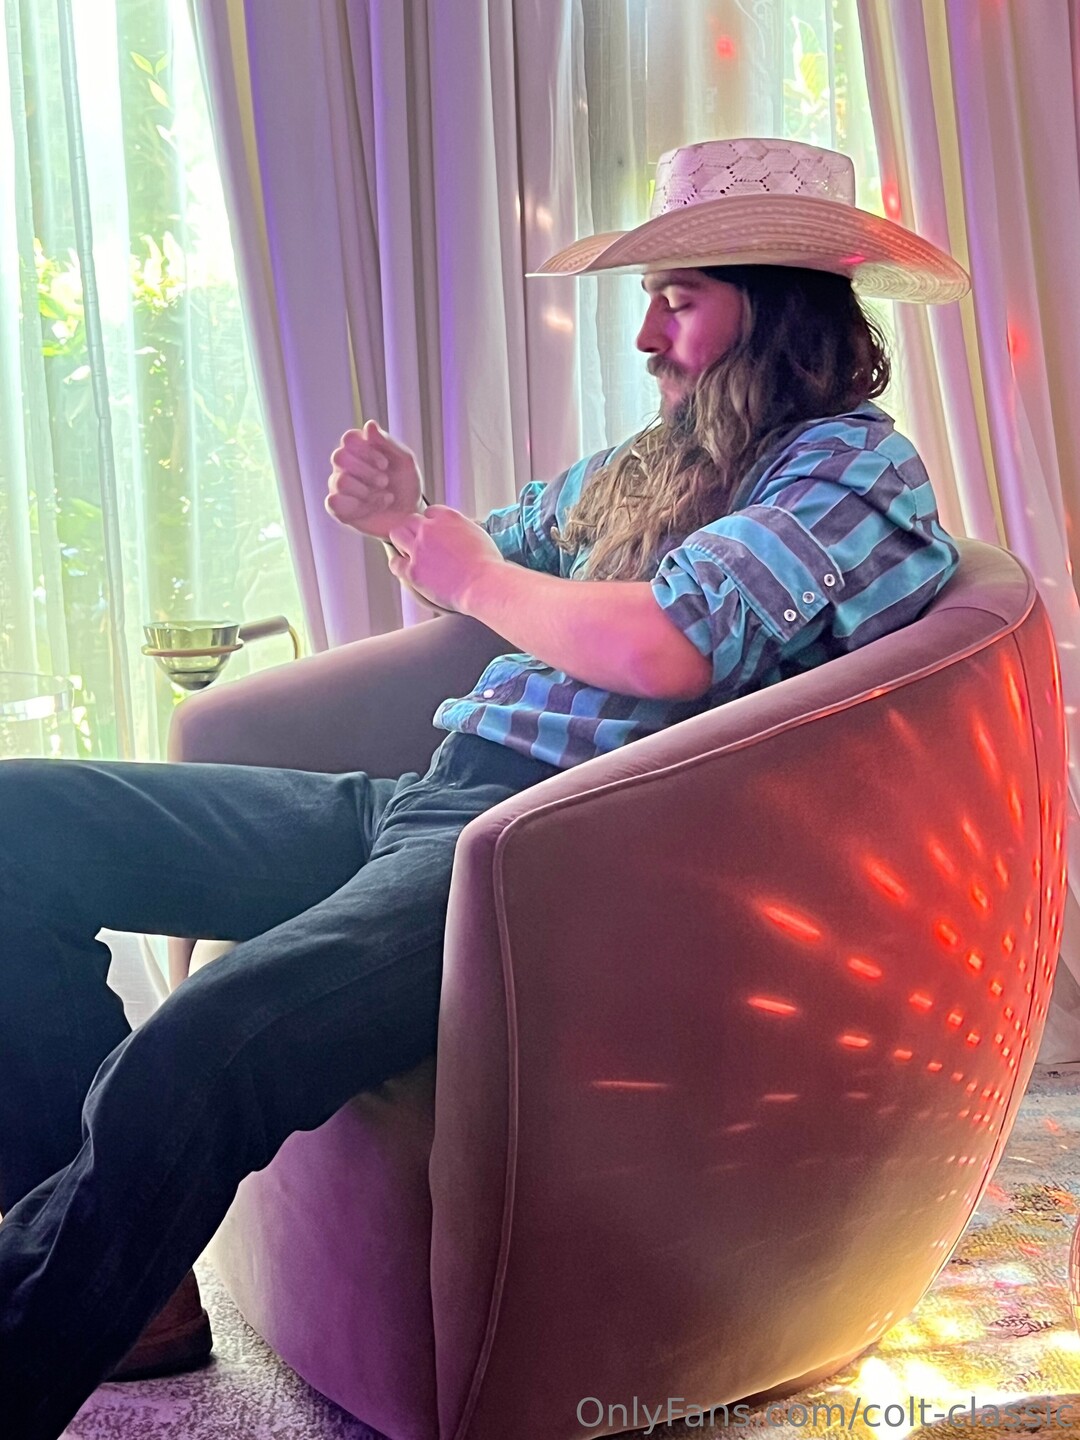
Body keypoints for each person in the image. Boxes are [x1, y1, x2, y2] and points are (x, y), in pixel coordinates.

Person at [0, 136, 969, 1438]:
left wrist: (473, 574)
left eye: (678, 298)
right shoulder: (659, 459)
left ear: (779, 307)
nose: (647, 334)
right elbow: (486, 556)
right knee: (14, 828)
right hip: (429, 801)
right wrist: (408, 521)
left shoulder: (852, 472)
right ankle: (133, 1295)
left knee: (201, 1047)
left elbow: (673, 643)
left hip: (544, 860)